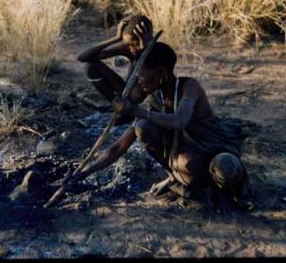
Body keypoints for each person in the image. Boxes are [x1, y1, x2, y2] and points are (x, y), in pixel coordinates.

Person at [69, 42, 253, 214]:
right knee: (143, 128)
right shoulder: (155, 101)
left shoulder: (189, 87)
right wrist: (84, 173)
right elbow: (119, 147)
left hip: (213, 155)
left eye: (142, 74)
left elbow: (179, 120)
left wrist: (134, 110)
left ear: (161, 72)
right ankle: (176, 179)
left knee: (225, 166)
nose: (139, 80)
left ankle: (224, 192)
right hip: (189, 167)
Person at [76, 15, 162, 124]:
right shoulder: (126, 46)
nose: (132, 48)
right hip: (128, 91)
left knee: (135, 96)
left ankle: (132, 110)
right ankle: (123, 110)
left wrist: (146, 49)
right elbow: (82, 57)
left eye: (135, 44)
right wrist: (115, 38)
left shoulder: (158, 49)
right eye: (128, 44)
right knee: (90, 66)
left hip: (148, 93)